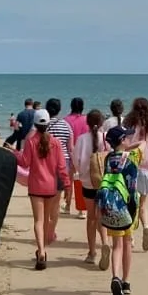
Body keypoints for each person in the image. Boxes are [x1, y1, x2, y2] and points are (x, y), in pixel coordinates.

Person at [16, 108, 69, 269]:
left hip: (36, 186)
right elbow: (61, 167)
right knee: (46, 220)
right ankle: (43, 248)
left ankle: (41, 251)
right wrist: (67, 184)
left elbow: (25, 163)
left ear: (35, 124)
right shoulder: (56, 143)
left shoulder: (31, 141)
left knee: (38, 221)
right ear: (48, 124)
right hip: (51, 186)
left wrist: (15, 154)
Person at [97, 125, 141, 295]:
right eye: (127, 137)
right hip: (127, 207)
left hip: (111, 206)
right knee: (127, 242)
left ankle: (115, 276)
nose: (130, 139)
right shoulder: (132, 158)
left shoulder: (108, 158)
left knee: (116, 245)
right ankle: (126, 281)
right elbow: (132, 187)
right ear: (122, 140)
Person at [122, 96, 148, 250]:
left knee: (130, 203)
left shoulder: (130, 124)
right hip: (147, 167)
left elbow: (126, 143)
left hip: (132, 165)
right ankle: (146, 227)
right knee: (143, 204)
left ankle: (130, 237)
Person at [72, 107, 106, 264]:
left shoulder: (81, 139)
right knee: (102, 216)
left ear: (88, 122)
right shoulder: (105, 137)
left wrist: (82, 172)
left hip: (87, 182)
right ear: (101, 122)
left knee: (91, 218)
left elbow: (76, 160)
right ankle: (105, 243)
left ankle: (92, 253)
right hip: (104, 182)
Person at [44, 99, 75, 221]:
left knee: (46, 199)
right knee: (56, 201)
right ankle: (52, 228)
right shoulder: (66, 125)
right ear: (59, 110)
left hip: (46, 164)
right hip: (63, 164)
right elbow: (70, 149)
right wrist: (73, 165)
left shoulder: (43, 125)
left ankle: (46, 225)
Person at [64, 96, 89, 215]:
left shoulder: (66, 120)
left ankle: (68, 205)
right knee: (82, 181)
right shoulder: (87, 120)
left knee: (69, 181)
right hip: (84, 154)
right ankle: (81, 210)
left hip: (69, 154)